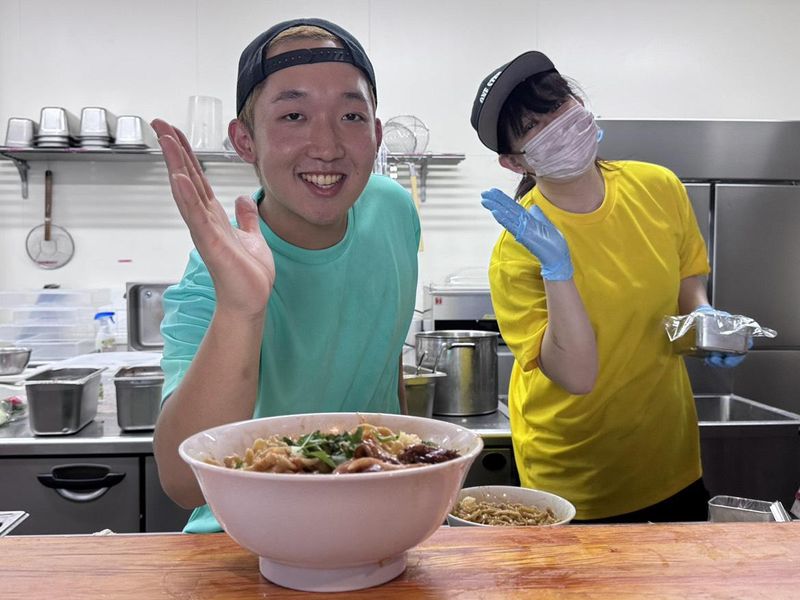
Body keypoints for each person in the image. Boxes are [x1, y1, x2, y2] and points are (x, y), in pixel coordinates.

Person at [151, 18, 420, 533]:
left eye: (351, 116)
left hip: (379, 524)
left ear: (376, 134)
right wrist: (241, 309)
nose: (327, 146)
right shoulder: (216, 275)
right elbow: (183, 483)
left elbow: (385, 371)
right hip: (249, 538)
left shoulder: (394, 210)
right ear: (244, 140)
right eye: (294, 115)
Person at [469, 50, 748, 523]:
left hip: (669, 455)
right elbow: (576, 376)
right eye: (533, 125)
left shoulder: (658, 187)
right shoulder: (516, 252)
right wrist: (558, 270)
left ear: (579, 103)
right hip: (574, 470)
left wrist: (701, 316)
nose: (557, 126)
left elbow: (686, 274)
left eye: (558, 105)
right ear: (514, 163)